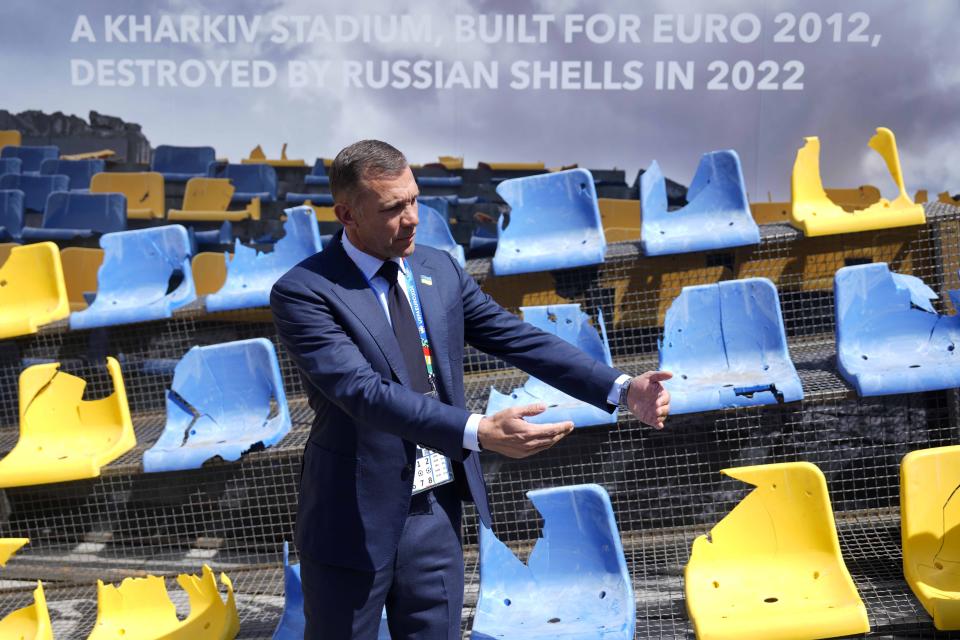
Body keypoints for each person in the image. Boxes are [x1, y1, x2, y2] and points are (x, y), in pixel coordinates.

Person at [270, 139, 671, 639]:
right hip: (353, 515)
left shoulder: (437, 267)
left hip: (436, 510)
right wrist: (477, 430)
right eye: (393, 208)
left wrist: (620, 387)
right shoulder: (304, 292)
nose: (412, 218)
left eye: (414, 199)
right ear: (346, 214)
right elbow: (361, 391)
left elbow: (513, 336)